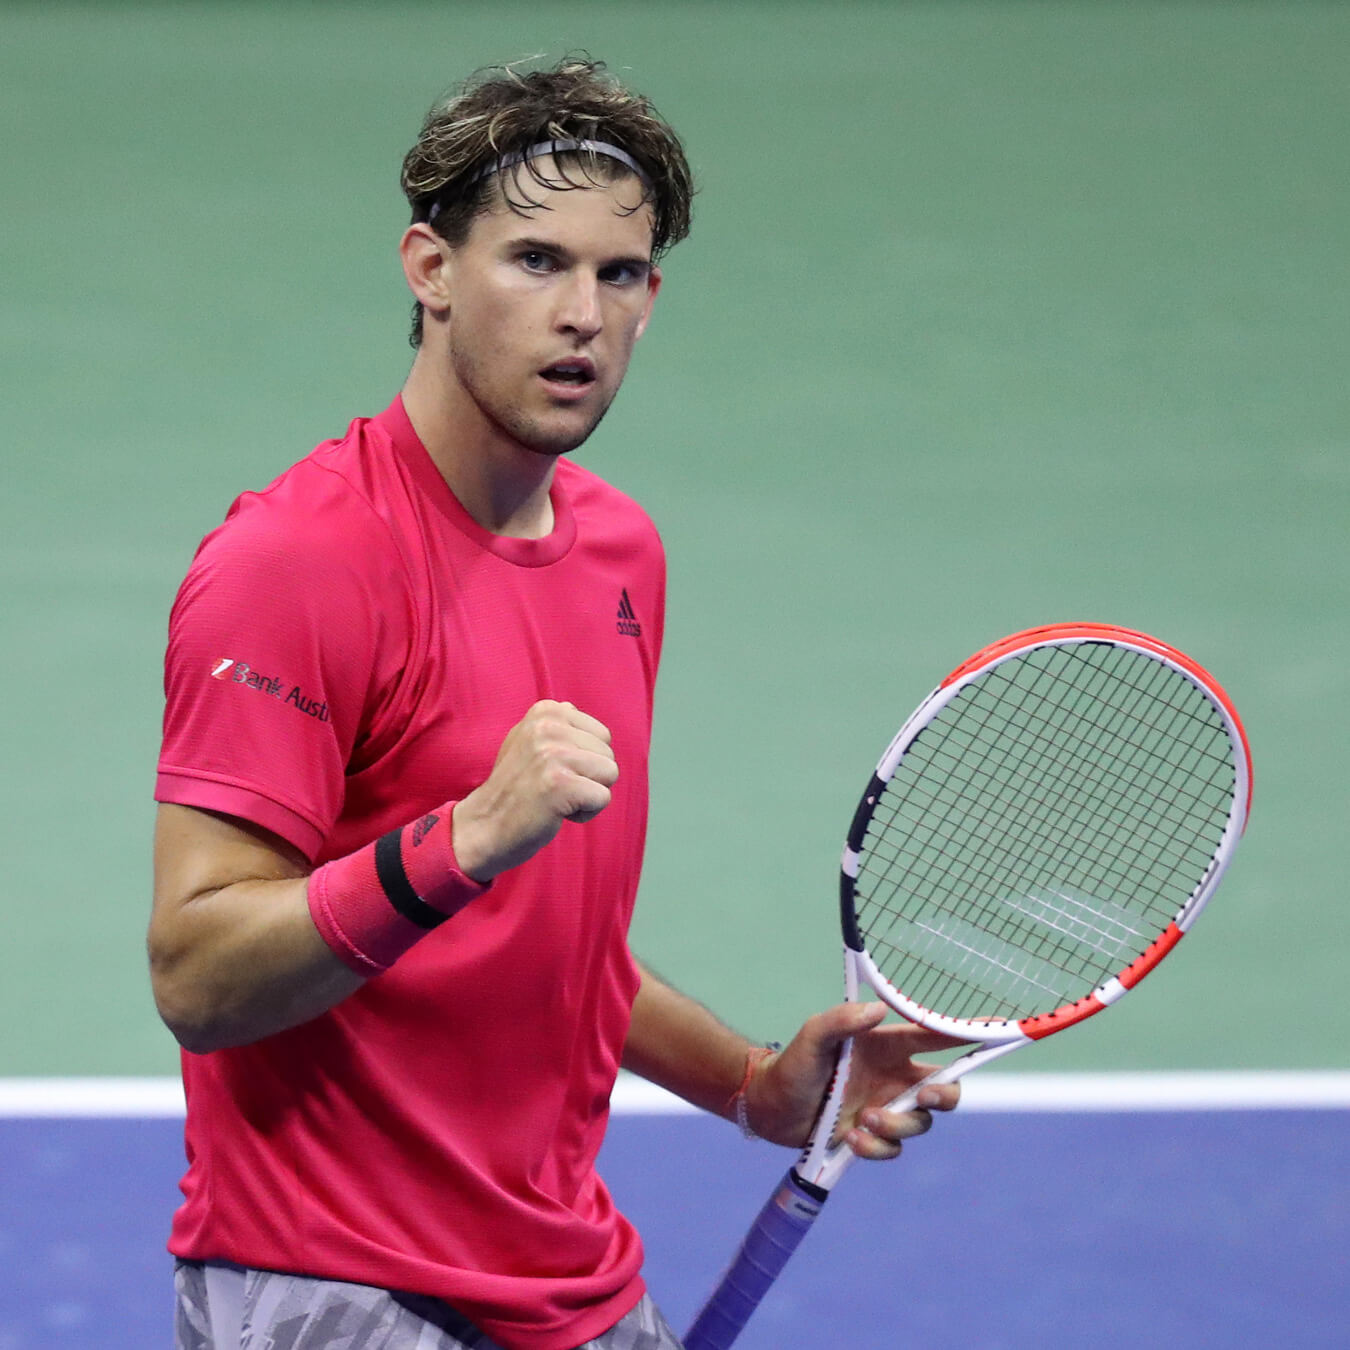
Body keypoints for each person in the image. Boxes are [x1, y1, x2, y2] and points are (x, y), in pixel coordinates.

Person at [148, 57, 959, 1350]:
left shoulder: (618, 551)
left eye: (618, 272)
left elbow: (535, 940)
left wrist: (749, 1085)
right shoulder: (296, 564)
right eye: (534, 260)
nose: (580, 312)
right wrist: (459, 839)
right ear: (430, 268)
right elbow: (197, 976)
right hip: (345, 1288)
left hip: (570, 1285)